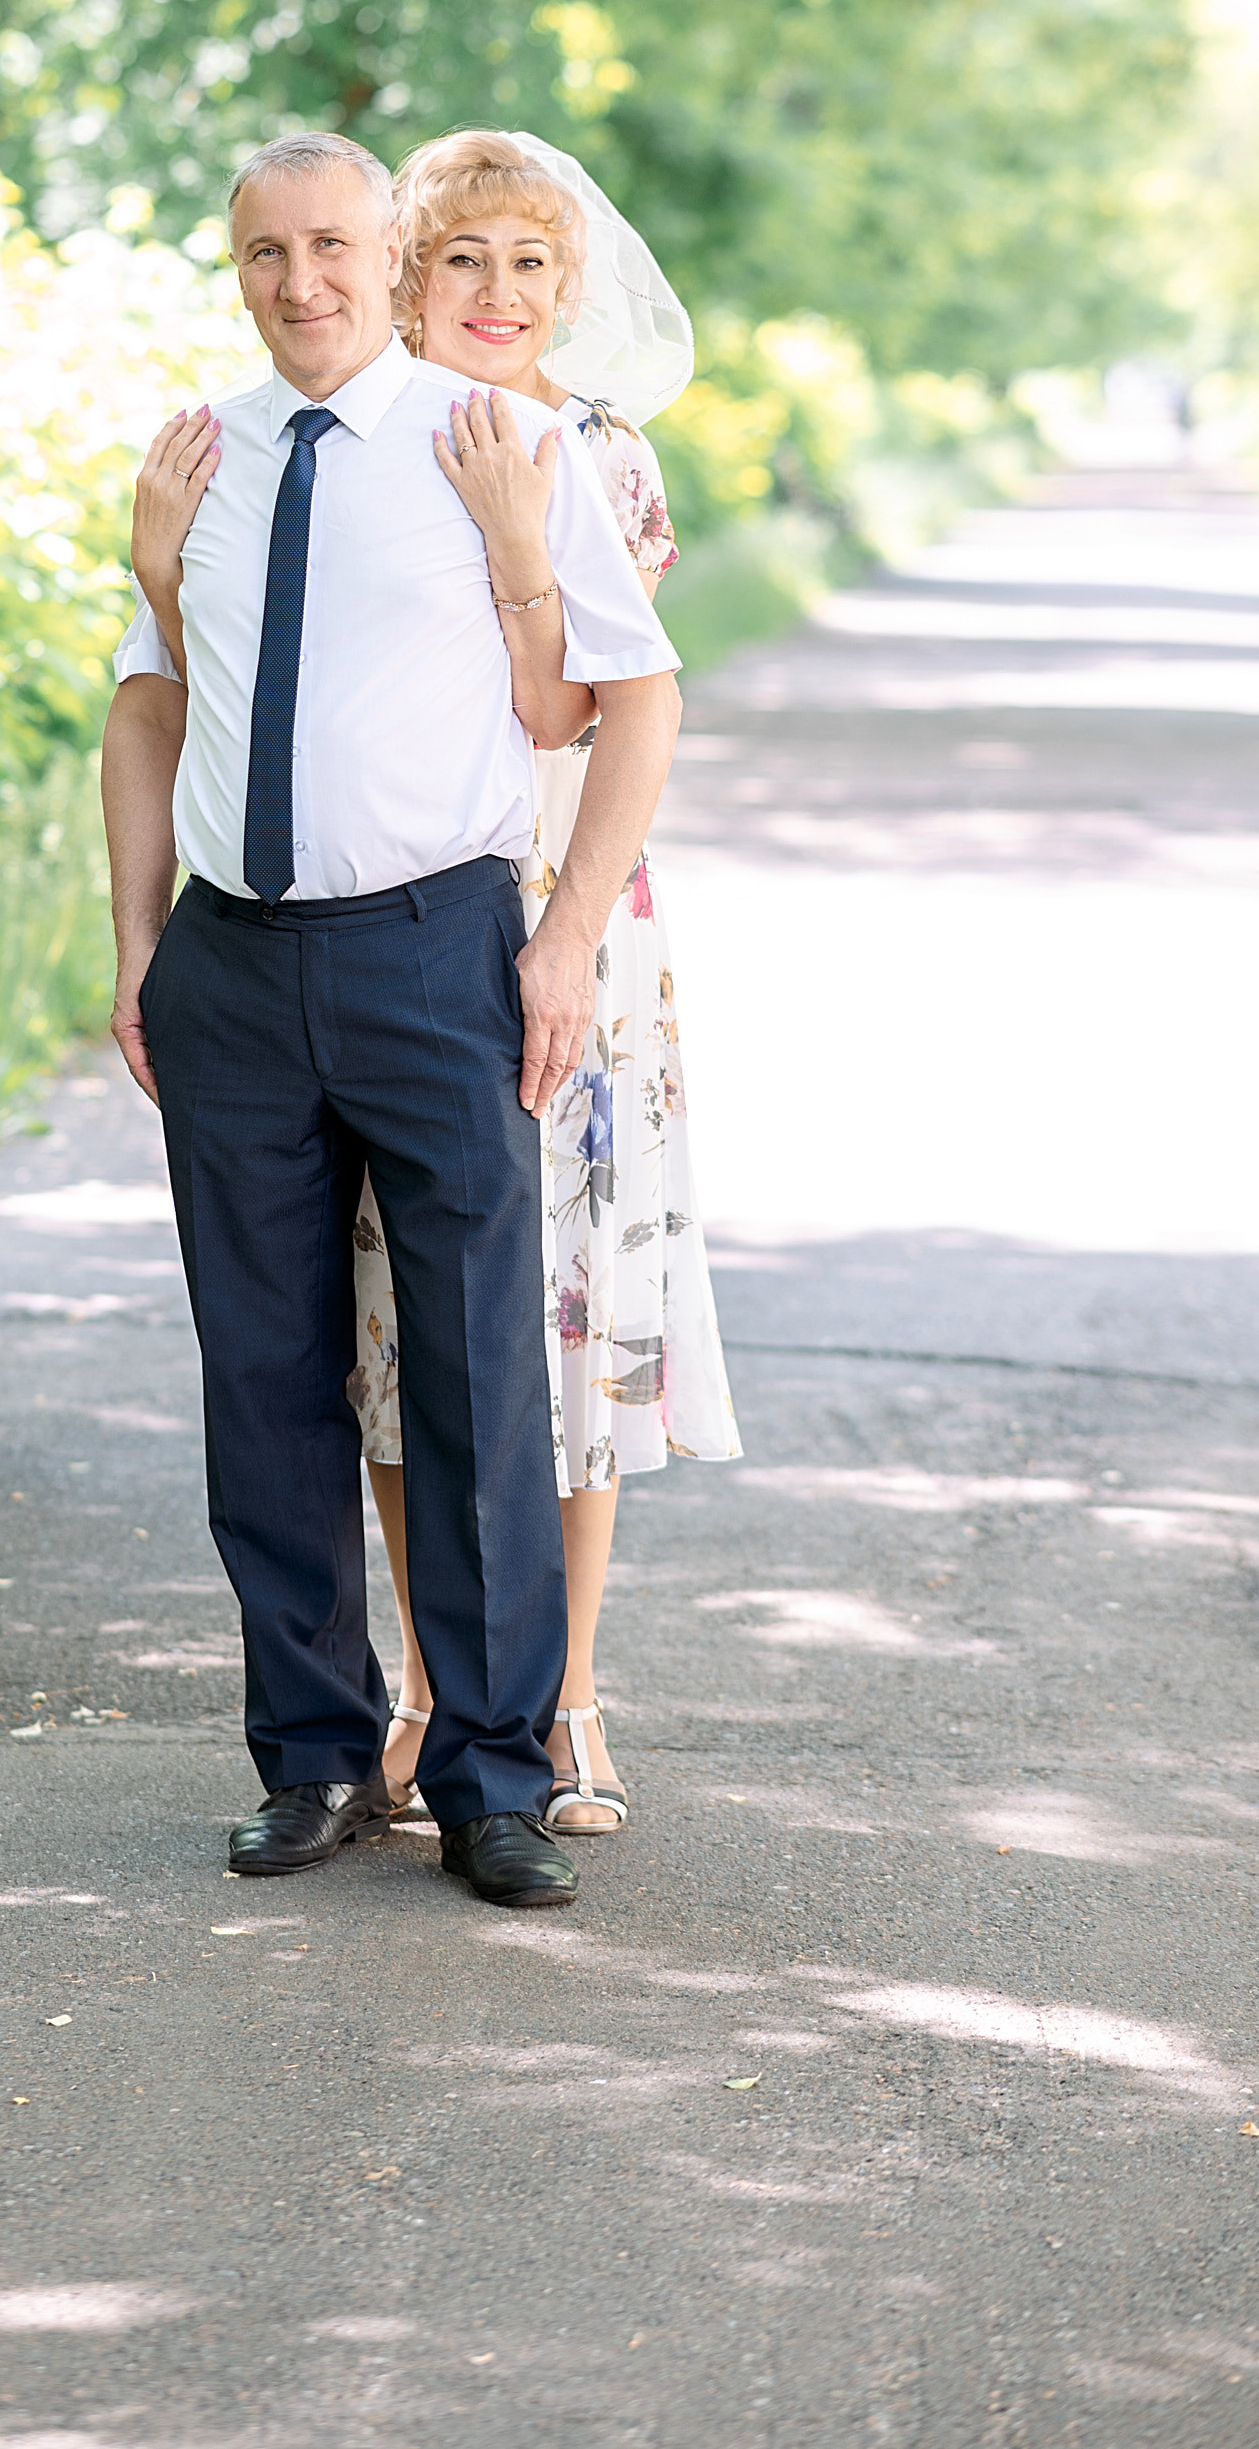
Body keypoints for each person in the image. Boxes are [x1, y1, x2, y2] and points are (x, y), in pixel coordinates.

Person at [100, 129, 681, 1911]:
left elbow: (633, 702)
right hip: (231, 968)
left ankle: (495, 1776)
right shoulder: (198, 455)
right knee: (263, 1377)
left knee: (477, 1368)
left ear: (385, 253)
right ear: (237, 269)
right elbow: (148, 706)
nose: (303, 282)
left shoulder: (493, 442)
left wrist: (561, 944)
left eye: (333, 245)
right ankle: (313, 1760)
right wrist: (135, 945)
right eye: (264, 252)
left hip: (436, 956)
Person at [348, 132, 740, 1833]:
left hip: (564, 910)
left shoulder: (598, 455)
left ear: (566, 287)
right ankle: (431, 1692)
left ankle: (566, 1697)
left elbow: (567, 713)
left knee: (562, 1325)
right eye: (461, 259)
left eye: (528, 263)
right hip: (379, 920)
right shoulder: (358, 438)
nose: (495, 294)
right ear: (404, 278)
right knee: (392, 1321)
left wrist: (516, 532)